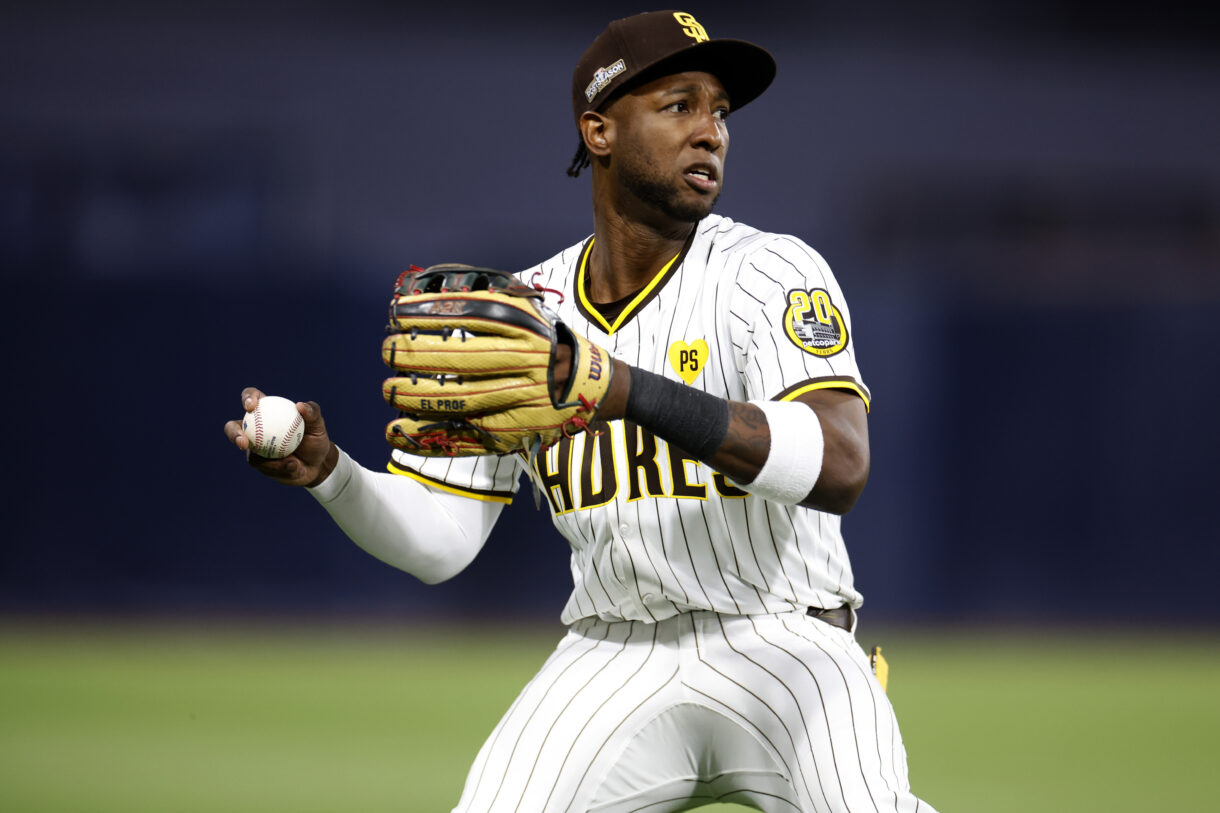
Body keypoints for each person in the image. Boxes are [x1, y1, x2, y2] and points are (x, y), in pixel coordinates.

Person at [226, 11, 937, 813]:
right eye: (679, 105)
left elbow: (840, 465)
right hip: (614, 650)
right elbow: (441, 540)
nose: (711, 132)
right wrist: (333, 475)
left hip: (790, 642)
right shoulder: (521, 315)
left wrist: (620, 386)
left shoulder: (768, 272)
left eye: (720, 112)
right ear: (599, 129)